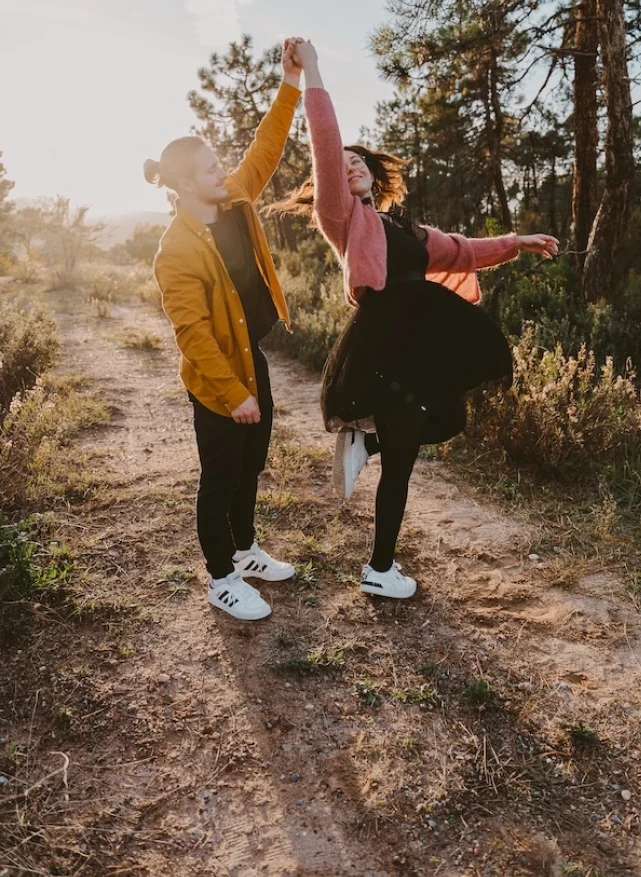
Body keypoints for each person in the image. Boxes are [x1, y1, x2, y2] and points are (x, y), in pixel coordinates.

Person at [275, 39, 559, 600]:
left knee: (449, 416)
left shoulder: (401, 228)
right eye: (343, 165)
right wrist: (315, 72)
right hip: (384, 340)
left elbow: (459, 249)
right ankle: (380, 569)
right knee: (404, 459)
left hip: (418, 341)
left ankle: (368, 445)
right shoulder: (342, 219)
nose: (349, 167)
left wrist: (517, 242)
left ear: (374, 177)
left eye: (359, 164)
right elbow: (326, 144)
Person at [145, 38, 306, 621]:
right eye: (213, 166)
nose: (225, 169)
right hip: (216, 374)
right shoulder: (176, 251)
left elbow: (265, 149)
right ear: (187, 185)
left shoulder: (233, 198)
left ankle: (245, 553)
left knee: (252, 465)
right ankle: (220, 579)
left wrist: (289, 82)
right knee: (220, 477)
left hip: (251, 358)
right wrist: (232, 391)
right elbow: (192, 336)